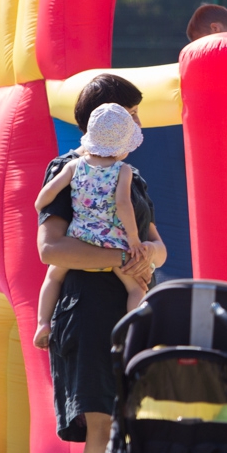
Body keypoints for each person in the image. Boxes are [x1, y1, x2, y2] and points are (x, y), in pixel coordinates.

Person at [37, 74, 166, 453]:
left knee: (135, 424)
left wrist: (147, 257)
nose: (138, 122)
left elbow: (157, 245)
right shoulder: (69, 168)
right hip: (89, 309)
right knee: (102, 426)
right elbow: (50, 249)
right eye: (131, 113)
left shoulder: (131, 174)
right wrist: (120, 259)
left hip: (133, 305)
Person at [33, 104, 149, 349]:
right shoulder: (123, 170)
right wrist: (133, 238)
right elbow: (123, 204)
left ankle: (43, 323)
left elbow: (50, 191)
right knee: (135, 288)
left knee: (53, 277)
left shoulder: (74, 165)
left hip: (79, 236)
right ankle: (131, 332)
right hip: (112, 240)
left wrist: (39, 203)